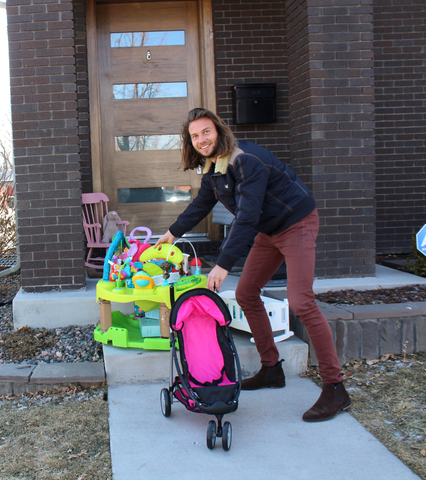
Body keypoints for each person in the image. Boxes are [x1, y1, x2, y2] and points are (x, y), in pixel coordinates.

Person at [155, 107, 351, 422]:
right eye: (195, 136)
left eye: (206, 131)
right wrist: (171, 233)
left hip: (296, 221)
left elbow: (246, 217)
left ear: (218, 131)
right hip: (270, 230)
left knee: (301, 301)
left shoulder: (244, 160)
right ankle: (272, 369)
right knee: (246, 293)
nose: (202, 139)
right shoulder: (214, 167)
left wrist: (222, 264)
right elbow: (203, 203)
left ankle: (335, 387)